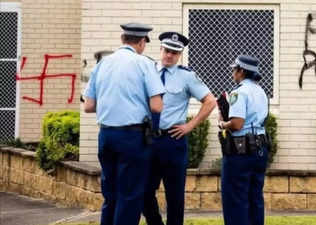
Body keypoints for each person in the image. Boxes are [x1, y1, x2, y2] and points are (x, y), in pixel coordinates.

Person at [83, 23, 165, 225]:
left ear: (122, 39)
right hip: (132, 138)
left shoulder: (101, 64)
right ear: (141, 42)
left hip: (106, 135)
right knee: (130, 195)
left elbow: (89, 106)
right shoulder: (144, 64)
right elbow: (157, 106)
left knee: (110, 194)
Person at [142, 32, 216, 225]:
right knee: (144, 191)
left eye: (174, 52)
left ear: (180, 54)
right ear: (160, 50)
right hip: (148, 140)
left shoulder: (187, 76)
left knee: (175, 195)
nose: (169, 55)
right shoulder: (146, 72)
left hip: (173, 141)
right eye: (167, 50)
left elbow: (210, 101)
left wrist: (189, 126)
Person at [218, 55, 269, 225]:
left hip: (241, 152)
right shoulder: (261, 91)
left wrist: (222, 123)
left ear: (241, 71)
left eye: (235, 69)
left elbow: (237, 124)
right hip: (260, 149)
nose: (233, 72)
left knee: (235, 200)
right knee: (255, 198)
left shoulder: (239, 92)